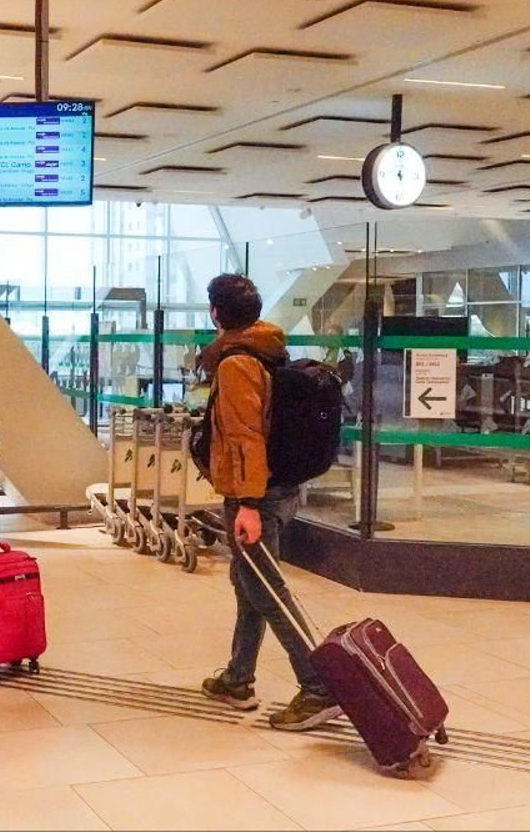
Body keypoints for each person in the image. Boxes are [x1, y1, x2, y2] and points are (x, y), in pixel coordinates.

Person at [197, 275, 342, 732]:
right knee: (249, 583)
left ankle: (318, 686)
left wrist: (247, 503)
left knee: (266, 589)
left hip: (256, 494)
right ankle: (239, 677)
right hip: (277, 487)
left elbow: (245, 438)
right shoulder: (268, 346)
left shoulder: (236, 362)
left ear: (217, 313)